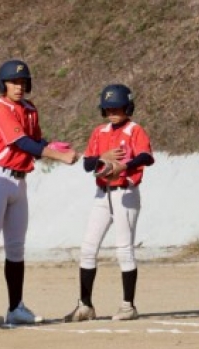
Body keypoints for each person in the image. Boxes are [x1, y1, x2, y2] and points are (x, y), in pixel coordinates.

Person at [0, 59, 79, 325]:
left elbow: (36, 142)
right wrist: (57, 156)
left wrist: (56, 147)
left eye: (22, 82)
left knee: (16, 248)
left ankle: (15, 307)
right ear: (3, 84)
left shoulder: (30, 109)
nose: (18, 86)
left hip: (19, 181)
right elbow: (20, 142)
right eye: (13, 82)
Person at [64, 84, 154, 322]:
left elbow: (146, 156)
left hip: (126, 193)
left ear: (128, 107)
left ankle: (128, 306)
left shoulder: (134, 129)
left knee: (124, 249)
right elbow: (87, 164)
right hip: (102, 194)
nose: (112, 112)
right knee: (88, 248)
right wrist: (102, 158)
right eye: (108, 108)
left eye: (118, 107)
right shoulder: (99, 132)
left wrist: (123, 166)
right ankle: (85, 305)